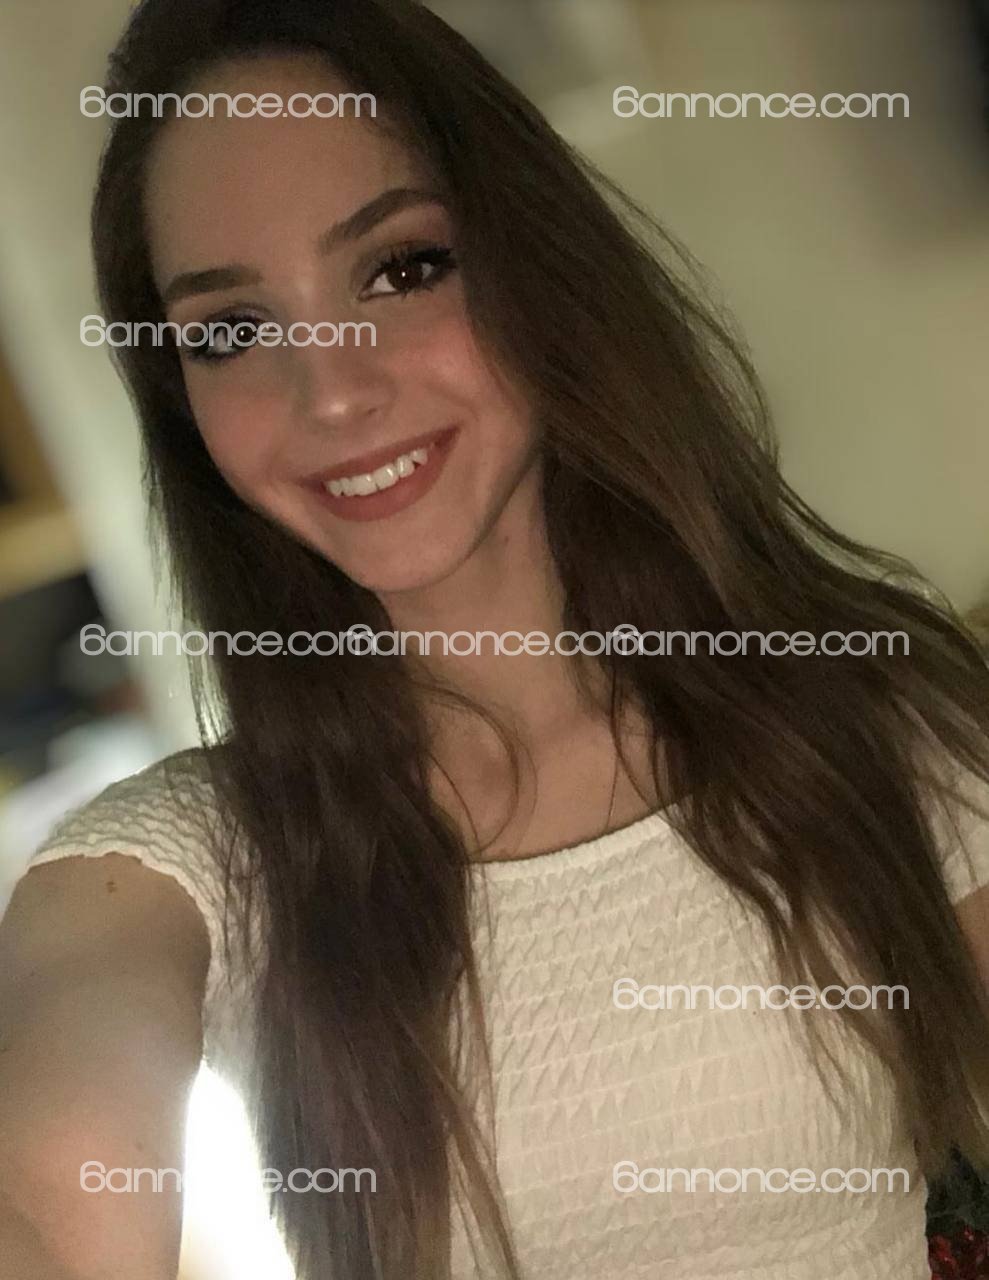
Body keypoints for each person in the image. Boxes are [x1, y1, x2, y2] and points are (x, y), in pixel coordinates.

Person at [2, 2, 988, 1277]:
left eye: (400, 268)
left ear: (536, 267)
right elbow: (54, 1181)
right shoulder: (187, 859)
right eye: (231, 330)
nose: (333, 390)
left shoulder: (877, 717)